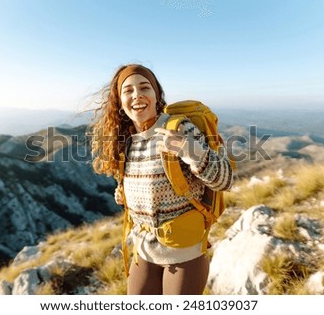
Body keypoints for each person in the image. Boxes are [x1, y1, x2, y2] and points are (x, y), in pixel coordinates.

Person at [90, 64, 233, 295]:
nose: (137, 95)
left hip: (184, 254)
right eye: (128, 90)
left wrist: (190, 150)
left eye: (144, 87)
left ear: (156, 95)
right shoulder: (127, 140)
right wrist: (125, 194)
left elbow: (225, 180)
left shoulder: (178, 128)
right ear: (119, 101)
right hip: (144, 249)